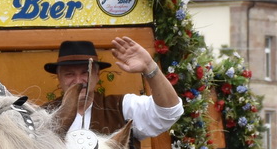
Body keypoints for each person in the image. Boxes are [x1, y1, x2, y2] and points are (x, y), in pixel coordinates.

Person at [45, 37, 183, 138]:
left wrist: (150, 68)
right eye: (69, 74)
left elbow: (170, 113)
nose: (78, 81)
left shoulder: (121, 107)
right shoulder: (42, 116)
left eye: (85, 72)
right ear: (59, 78)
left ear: (97, 76)